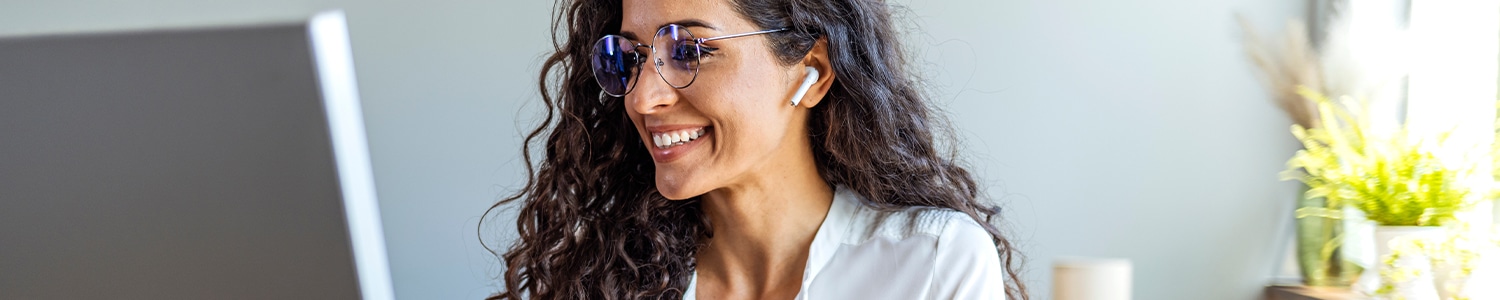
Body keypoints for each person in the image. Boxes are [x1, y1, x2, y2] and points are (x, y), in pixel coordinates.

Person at [484, 0, 1027, 298]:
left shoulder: (930, 265)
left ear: (812, 72)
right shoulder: (608, 279)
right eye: (630, 56)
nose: (644, 97)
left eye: (690, 49)